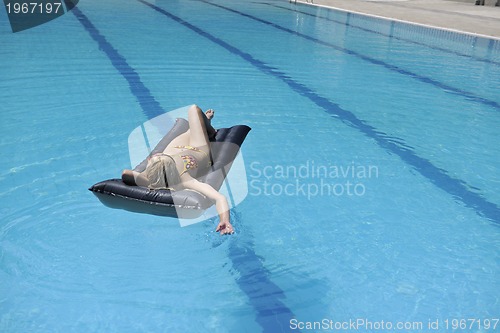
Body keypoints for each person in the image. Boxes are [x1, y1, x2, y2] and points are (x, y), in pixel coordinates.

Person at [121, 105, 234, 235]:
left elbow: (125, 174)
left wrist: (147, 181)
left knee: (192, 122)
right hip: (196, 148)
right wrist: (225, 221)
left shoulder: (155, 179)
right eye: (157, 156)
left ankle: (207, 125)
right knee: (193, 111)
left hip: (185, 148)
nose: (154, 155)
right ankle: (207, 126)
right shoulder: (184, 180)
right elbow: (220, 198)